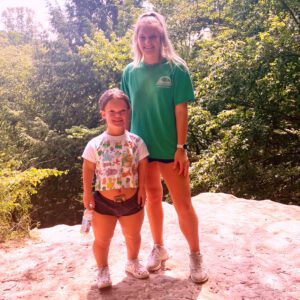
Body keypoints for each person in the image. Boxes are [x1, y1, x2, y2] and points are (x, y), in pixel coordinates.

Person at [121, 11, 208, 283]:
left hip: (171, 151)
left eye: (153, 37)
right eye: (143, 37)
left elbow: (181, 111)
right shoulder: (130, 72)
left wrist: (181, 147)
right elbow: (126, 111)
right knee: (152, 198)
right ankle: (159, 249)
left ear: (161, 38)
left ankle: (195, 256)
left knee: (183, 204)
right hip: (142, 152)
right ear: (137, 39)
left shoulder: (176, 68)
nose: (148, 42)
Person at [82, 88, 149, 289]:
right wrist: (87, 193)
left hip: (132, 201)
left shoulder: (136, 142)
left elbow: (143, 164)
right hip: (103, 202)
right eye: (112, 111)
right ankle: (102, 269)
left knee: (133, 235)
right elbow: (88, 168)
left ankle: (132, 261)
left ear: (128, 112)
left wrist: (142, 189)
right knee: (102, 239)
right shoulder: (95, 144)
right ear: (103, 114)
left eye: (122, 111)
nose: (117, 115)